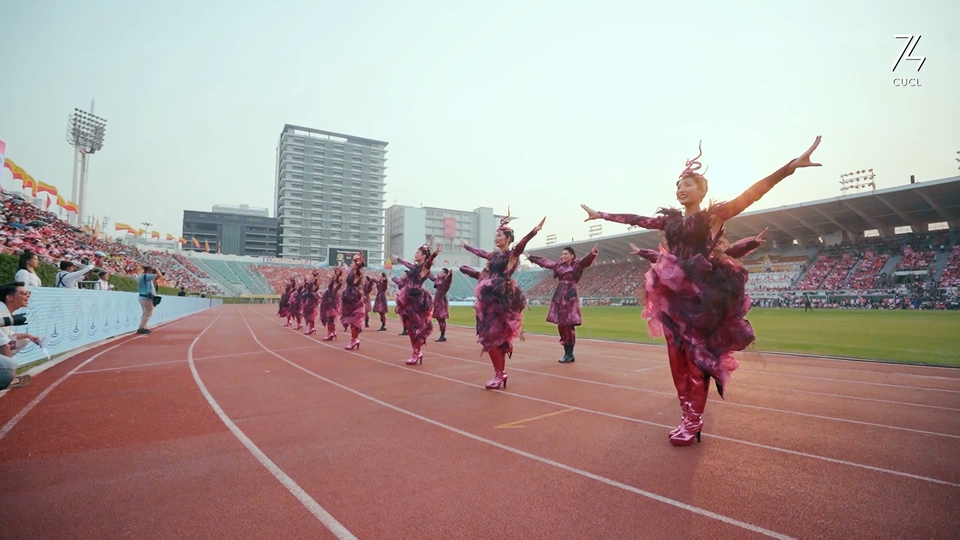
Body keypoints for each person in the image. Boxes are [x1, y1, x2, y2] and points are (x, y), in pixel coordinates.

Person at [581, 136, 822, 446]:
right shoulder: (669, 221)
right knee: (676, 360)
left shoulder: (712, 215)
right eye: (678, 185)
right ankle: (686, 415)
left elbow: (752, 194)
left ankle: (694, 421)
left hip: (701, 297)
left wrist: (789, 168)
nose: (681, 189)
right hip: (670, 297)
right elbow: (635, 219)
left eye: (688, 184)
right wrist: (602, 215)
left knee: (697, 360)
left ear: (702, 190)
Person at [463, 213, 545, 389]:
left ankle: (500, 374)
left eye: (499, 235)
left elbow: (521, 245)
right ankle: (498, 373)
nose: (496, 238)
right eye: (496, 235)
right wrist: (466, 246)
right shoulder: (493, 256)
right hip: (487, 299)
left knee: (497, 337)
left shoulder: (511, 255)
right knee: (486, 337)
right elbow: (480, 252)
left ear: (508, 238)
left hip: (501, 299)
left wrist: (533, 232)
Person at [526, 245, 598, 363]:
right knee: (561, 325)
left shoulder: (577, 264)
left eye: (565, 254)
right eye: (562, 254)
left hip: (570, 294)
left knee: (569, 324)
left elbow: (586, 261)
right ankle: (566, 353)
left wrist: (592, 254)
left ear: (572, 256)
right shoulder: (558, 265)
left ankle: (570, 353)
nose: (563, 256)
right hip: (560, 294)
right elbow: (545, 262)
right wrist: (530, 257)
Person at [394, 242, 441, 365]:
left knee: (418, 328)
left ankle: (417, 351)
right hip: (407, 298)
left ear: (424, 256)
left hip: (417, 300)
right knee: (409, 327)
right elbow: (407, 264)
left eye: (418, 253)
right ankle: (416, 352)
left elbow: (429, 262)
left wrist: (435, 254)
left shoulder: (425, 267)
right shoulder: (414, 267)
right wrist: (398, 259)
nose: (415, 254)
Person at [0, 282, 41, 390]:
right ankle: (9, 378)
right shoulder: (0, 311)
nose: (28, 296)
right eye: (23, 293)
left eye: (29, 293)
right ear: (9, 297)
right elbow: (3, 344)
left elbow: (7, 335)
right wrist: (13, 375)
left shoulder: (5, 310)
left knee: (24, 340)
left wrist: (28, 335)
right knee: (8, 371)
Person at [339, 254, 367, 350]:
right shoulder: (352, 272)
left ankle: (354, 339)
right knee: (351, 319)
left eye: (352, 263)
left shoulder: (358, 273)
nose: (351, 264)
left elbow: (357, 272)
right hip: (348, 296)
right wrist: (345, 266)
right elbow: (348, 273)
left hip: (354, 296)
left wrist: (359, 261)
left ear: (356, 264)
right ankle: (354, 339)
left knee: (354, 319)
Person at [318, 268, 343, 340]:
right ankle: (333, 332)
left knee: (329, 320)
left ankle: (330, 333)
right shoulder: (333, 292)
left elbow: (337, 284)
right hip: (332, 308)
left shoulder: (332, 292)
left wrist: (337, 275)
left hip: (330, 308)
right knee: (331, 320)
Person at [429, 268, 453, 342]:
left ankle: (442, 335)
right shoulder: (438, 280)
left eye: (442, 272)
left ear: (445, 274)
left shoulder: (446, 281)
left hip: (441, 301)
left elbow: (448, 279)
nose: (440, 272)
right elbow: (432, 277)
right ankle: (442, 335)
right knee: (438, 318)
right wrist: (426, 270)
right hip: (437, 300)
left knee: (441, 317)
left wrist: (450, 275)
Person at [137, 266, 162, 335]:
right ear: (149, 270)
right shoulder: (146, 276)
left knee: (145, 313)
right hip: (146, 298)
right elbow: (159, 275)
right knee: (148, 314)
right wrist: (156, 268)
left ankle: (143, 327)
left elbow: (155, 279)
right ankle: (141, 328)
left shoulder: (142, 276)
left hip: (142, 297)